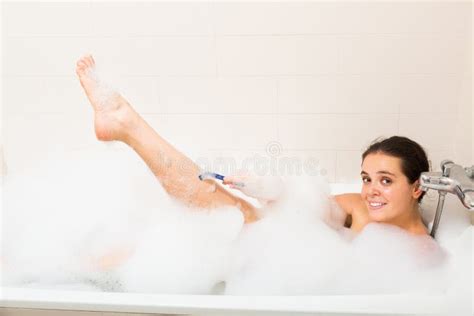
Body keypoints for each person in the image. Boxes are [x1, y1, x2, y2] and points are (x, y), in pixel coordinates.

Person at [75, 55, 429, 270]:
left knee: (220, 217)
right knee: (221, 215)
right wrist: (274, 190)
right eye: (367, 179)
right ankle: (123, 123)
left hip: (281, 267)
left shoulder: (422, 252)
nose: (371, 191)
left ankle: (125, 123)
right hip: (271, 251)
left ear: (417, 187)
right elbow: (318, 211)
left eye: (385, 181)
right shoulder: (360, 209)